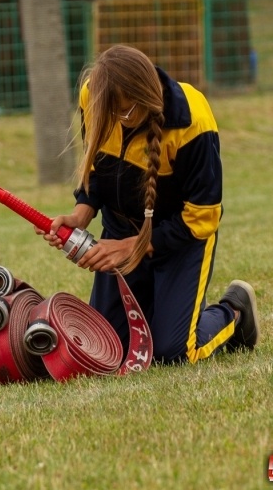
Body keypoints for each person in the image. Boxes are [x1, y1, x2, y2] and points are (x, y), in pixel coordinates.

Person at [39, 45, 259, 364]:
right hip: (120, 230)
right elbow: (96, 165)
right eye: (110, 113)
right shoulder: (95, 95)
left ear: (145, 98)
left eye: (124, 112)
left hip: (179, 238)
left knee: (171, 353)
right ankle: (165, 309)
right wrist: (81, 212)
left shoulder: (192, 120)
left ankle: (234, 312)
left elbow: (203, 218)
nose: (117, 119)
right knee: (107, 351)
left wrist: (135, 247)